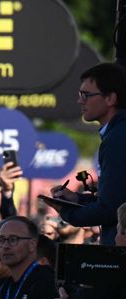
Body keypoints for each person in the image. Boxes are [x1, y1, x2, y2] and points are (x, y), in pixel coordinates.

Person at [46, 63, 126, 244]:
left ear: (110, 98)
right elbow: (116, 199)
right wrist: (76, 198)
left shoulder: (118, 137)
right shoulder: (116, 133)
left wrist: (66, 211)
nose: (80, 101)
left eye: (86, 95)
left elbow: (110, 209)